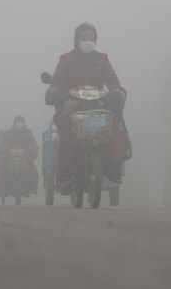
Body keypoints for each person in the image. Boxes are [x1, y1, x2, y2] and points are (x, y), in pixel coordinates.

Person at [45, 22, 131, 194]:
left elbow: (114, 82)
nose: (87, 41)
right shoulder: (66, 59)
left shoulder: (102, 59)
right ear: (76, 40)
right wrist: (60, 95)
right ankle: (66, 176)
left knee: (114, 125)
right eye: (84, 37)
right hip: (72, 106)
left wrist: (116, 91)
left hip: (97, 106)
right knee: (66, 131)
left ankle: (114, 164)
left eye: (91, 38)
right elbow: (56, 83)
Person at [0, 116, 39, 200]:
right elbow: (4, 144)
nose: (19, 123)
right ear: (14, 123)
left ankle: (30, 189)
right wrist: (6, 149)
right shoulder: (9, 133)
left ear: (24, 123)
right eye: (18, 122)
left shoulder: (28, 133)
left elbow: (33, 143)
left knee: (33, 172)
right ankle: (0, 190)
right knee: (0, 169)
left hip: (24, 156)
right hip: (9, 156)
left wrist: (30, 149)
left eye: (21, 122)